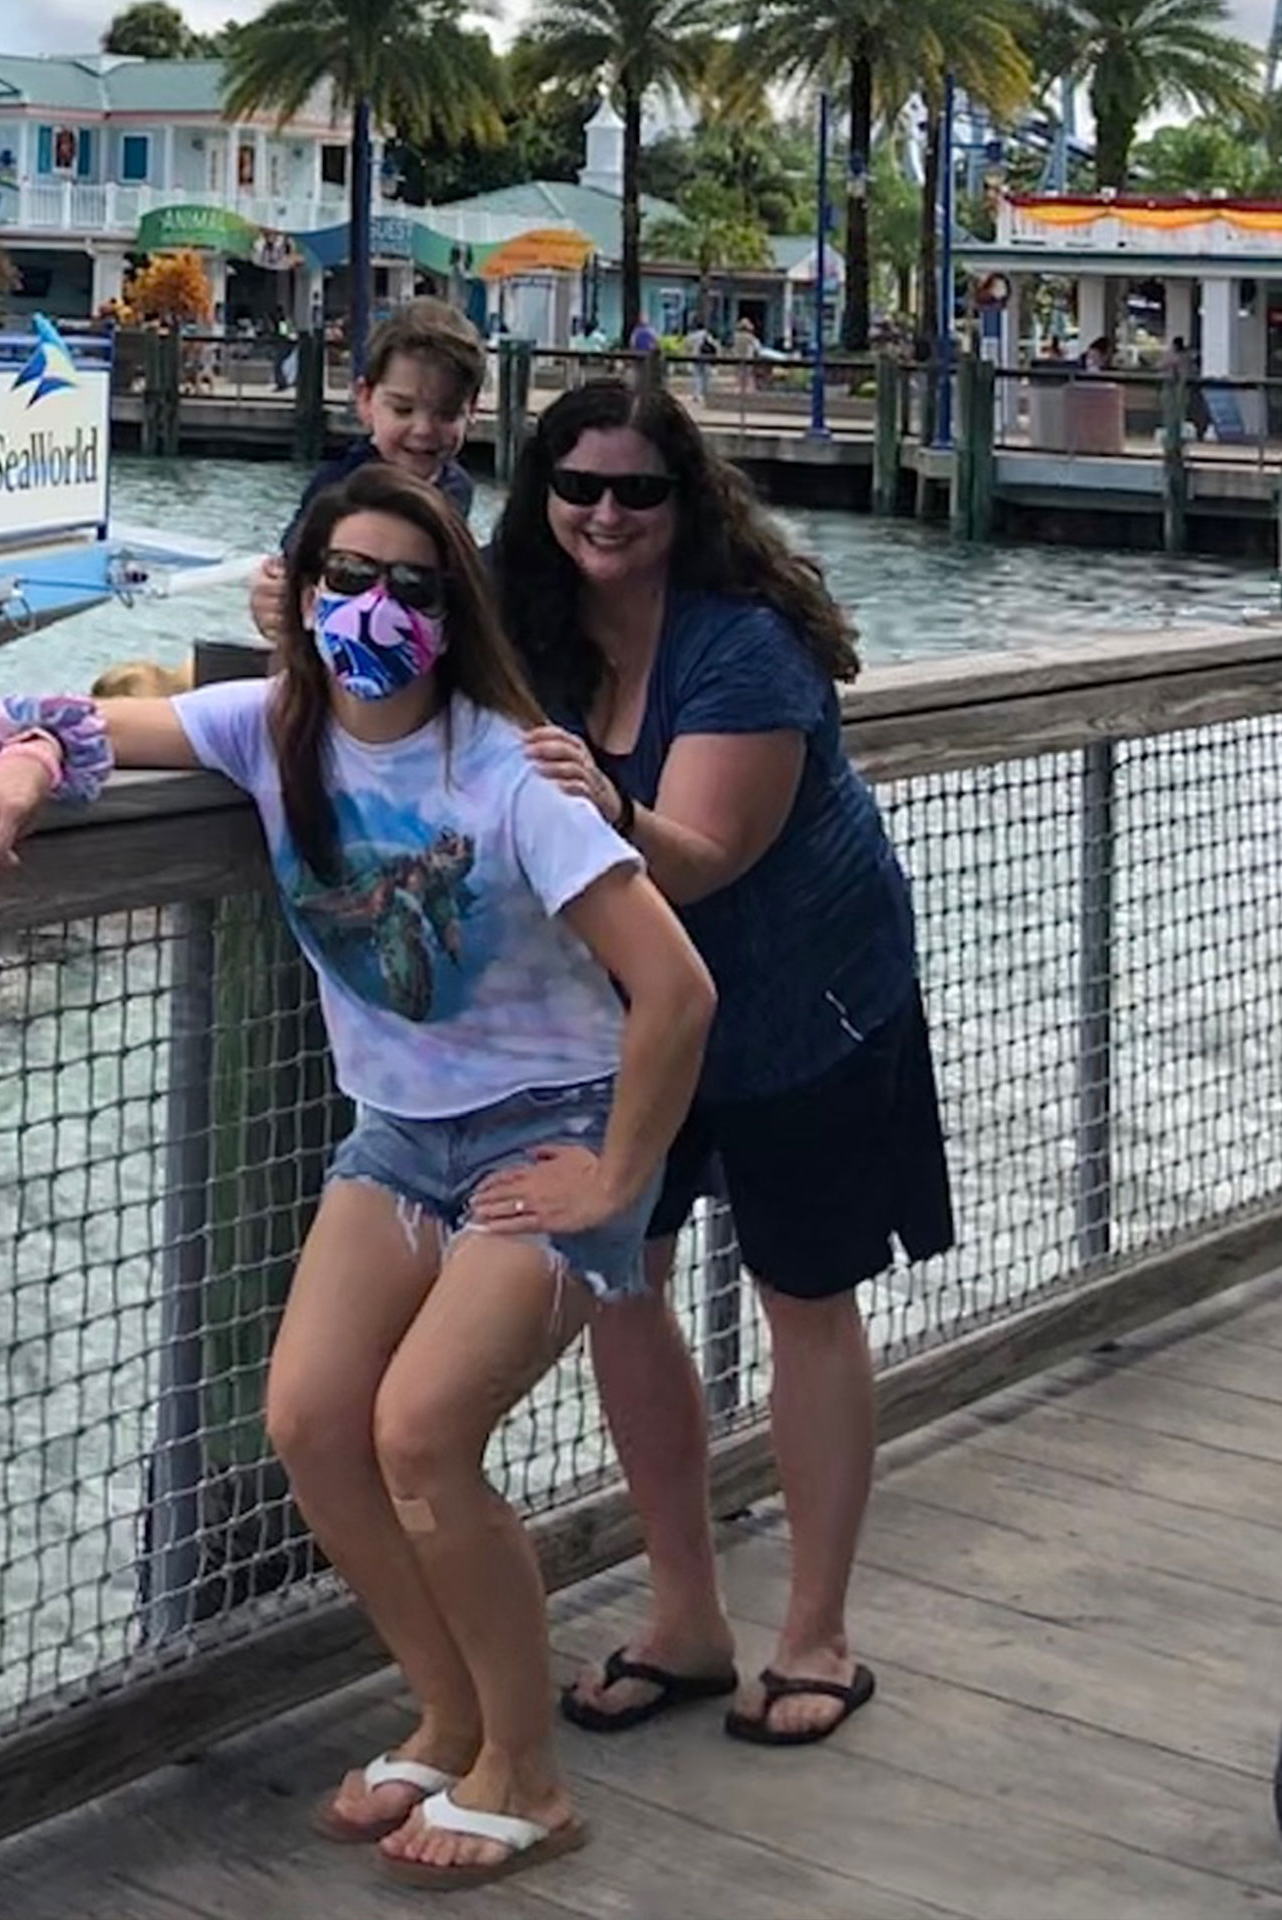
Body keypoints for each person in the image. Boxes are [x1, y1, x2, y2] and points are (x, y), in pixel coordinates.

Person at [0, 465, 715, 1889]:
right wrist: (26, 762)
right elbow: (74, 716)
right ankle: (450, 1712)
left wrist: (617, 1179)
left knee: (421, 1432)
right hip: (398, 1137)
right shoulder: (274, 726)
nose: (377, 609)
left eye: (413, 587)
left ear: (453, 610)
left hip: (548, 1126)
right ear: (298, 589)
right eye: (346, 575)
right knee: (307, 1420)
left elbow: (677, 987)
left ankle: (527, 1775)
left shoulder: (506, 770)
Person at [490, 379, 956, 1748]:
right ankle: (685, 1618)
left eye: (639, 489)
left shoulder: (744, 649)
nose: (606, 513)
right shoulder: (540, 634)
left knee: (804, 1294)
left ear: (686, 503)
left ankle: (816, 1632)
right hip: (644, 1015)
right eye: (578, 486)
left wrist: (603, 792)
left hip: (810, 1003)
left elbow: (697, 856)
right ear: (543, 496)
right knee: (622, 1279)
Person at [279, 296, 484, 544]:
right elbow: (297, 555)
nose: (423, 429)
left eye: (447, 413)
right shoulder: (339, 487)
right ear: (366, 399)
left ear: (471, 409)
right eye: (403, 410)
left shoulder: (458, 487)